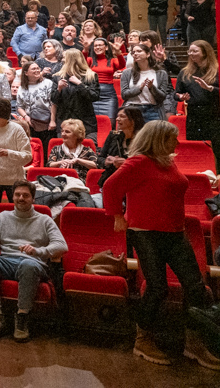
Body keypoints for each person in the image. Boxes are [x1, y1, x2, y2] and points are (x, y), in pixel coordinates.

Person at [103, 121, 219, 368]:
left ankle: (194, 342)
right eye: (172, 138)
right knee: (157, 288)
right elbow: (111, 186)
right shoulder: (140, 162)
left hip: (175, 232)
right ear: (157, 139)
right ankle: (142, 338)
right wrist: (116, 216)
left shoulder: (167, 160)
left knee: (197, 287)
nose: (177, 144)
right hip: (146, 233)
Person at [0, 180, 68, 342]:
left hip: (33, 263)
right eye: (17, 195)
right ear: (12, 197)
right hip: (6, 261)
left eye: (25, 195)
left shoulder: (44, 220)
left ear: (33, 198)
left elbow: (62, 245)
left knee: (28, 264)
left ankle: (22, 317)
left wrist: (38, 251)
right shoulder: (3, 217)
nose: (21, 198)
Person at [175, 41, 220, 172]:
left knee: (217, 149)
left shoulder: (216, 71)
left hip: (214, 114)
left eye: (195, 51)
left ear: (205, 52)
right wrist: (181, 97)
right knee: (197, 147)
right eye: (190, 51)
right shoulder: (185, 72)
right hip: (194, 115)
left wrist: (210, 88)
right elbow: (176, 93)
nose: (191, 54)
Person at [51, 49, 100, 138]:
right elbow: (53, 100)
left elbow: (94, 96)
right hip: (64, 120)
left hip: (85, 122)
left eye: (64, 58)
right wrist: (59, 89)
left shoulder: (90, 76)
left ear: (71, 60)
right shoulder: (57, 77)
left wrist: (80, 84)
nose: (62, 60)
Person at [120, 44, 170, 122]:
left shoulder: (160, 73)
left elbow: (162, 97)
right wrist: (139, 88)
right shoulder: (127, 73)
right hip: (132, 109)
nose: (135, 54)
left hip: (152, 110)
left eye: (139, 51)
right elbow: (124, 95)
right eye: (133, 52)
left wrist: (151, 88)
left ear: (148, 54)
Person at [16, 62, 55, 152]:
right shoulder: (22, 87)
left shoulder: (47, 83)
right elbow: (19, 106)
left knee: (46, 149)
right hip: (31, 123)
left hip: (47, 123)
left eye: (38, 68)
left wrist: (52, 121)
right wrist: (26, 117)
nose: (37, 70)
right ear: (26, 73)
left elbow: (53, 103)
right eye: (33, 69)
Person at [87, 37, 123, 122]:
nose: (97, 47)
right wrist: (85, 49)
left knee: (110, 121)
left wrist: (118, 52)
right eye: (95, 46)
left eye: (100, 45)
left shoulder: (112, 60)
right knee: (93, 122)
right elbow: (82, 64)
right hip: (93, 92)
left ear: (106, 47)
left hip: (109, 94)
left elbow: (121, 65)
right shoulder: (90, 60)